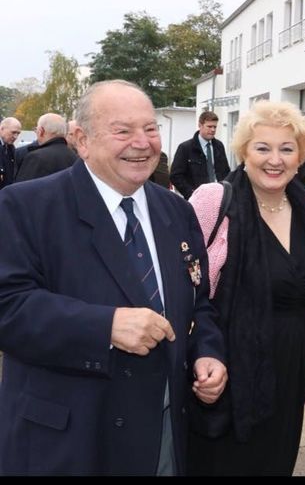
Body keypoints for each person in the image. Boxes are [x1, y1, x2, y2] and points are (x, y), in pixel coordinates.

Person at [0, 79, 227, 475]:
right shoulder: (25, 206)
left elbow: (199, 302)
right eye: (122, 131)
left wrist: (208, 352)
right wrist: (104, 326)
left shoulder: (176, 211)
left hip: (163, 438)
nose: (142, 143)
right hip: (71, 442)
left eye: (151, 128)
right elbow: (9, 307)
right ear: (80, 139)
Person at [186, 100, 305, 476]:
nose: (274, 159)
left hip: (290, 372)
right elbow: (186, 289)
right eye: (263, 148)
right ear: (244, 151)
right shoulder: (214, 201)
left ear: (300, 157)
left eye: (286, 149)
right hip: (224, 370)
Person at [170, 111, 231, 200]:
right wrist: (191, 194)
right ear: (200, 125)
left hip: (218, 198)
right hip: (196, 200)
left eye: (215, 127)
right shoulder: (185, 148)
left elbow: (225, 172)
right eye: (209, 126)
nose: (213, 130)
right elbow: (175, 176)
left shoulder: (219, 146)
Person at [15, 113, 77, 182]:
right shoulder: (75, 157)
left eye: (36, 130)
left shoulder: (36, 157)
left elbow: (22, 189)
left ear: (41, 131)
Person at [0, 116, 21, 189]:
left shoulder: (11, 148)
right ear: (2, 129)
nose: (15, 137)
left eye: (18, 133)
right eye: (13, 132)